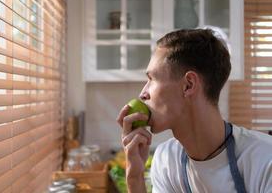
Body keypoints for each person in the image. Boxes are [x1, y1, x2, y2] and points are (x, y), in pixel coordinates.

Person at [116, 29, 272, 193]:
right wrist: (134, 178)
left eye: (152, 79)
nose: (143, 94)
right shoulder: (167, 161)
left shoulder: (265, 160)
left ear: (188, 85)